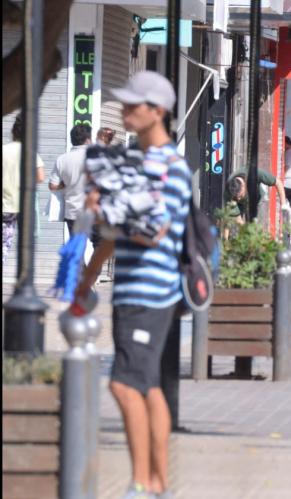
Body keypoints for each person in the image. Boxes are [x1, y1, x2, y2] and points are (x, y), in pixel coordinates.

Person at [73, 71, 190, 499]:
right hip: (130, 291)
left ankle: (143, 484)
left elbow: (152, 231)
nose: (123, 111)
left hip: (151, 293)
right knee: (146, 385)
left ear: (156, 111)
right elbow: (118, 232)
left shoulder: (170, 167)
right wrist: (87, 277)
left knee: (124, 384)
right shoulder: (134, 162)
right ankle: (156, 483)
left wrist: (105, 213)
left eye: (132, 104)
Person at [2, 113, 46, 263]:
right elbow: (40, 177)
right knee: (19, 243)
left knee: (4, 243)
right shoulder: (31, 153)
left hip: (4, 204)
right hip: (21, 206)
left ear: (13, 132)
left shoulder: (4, 150)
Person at [49, 124, 97, 240]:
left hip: (73, 212)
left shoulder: (62, 159)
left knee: (76, 248)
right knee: (99, 245)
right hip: (94, 211)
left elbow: (52, 186)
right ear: (88, 139)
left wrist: (64, 184)